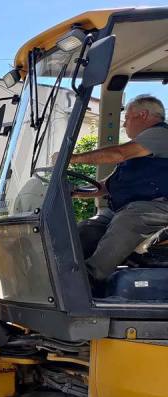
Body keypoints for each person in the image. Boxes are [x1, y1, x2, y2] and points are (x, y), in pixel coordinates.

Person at [71, 94, 168, 281]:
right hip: (128, 207)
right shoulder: (140, 150)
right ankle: (65, 271)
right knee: (87, 227)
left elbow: (118, 153)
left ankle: (89, 279)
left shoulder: (161, 134)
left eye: (127, 119)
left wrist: (72, 158)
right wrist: (75, 192)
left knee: (128, 219)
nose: (124, 125)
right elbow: (104, 186)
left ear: (143, 115)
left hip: (158, 206)